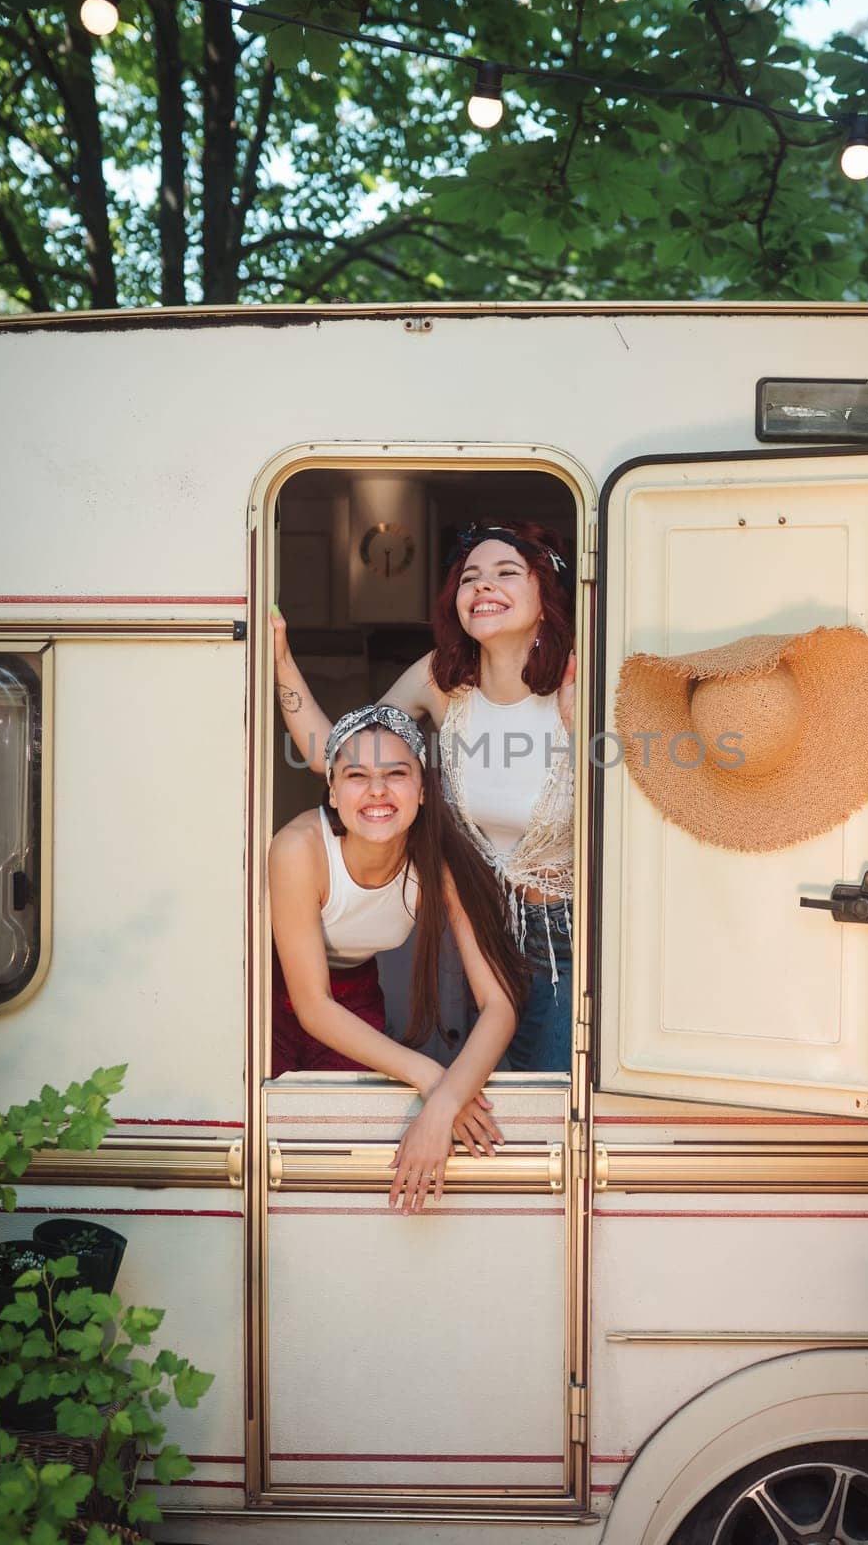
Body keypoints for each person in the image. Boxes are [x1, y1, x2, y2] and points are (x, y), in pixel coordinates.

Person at [272, 519, 576, 1071]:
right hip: (489, 931)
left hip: (568, 940)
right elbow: (339, 753)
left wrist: (583, 729)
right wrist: (282, 662)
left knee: (551, 1100)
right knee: (511, 1093)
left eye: (506, 573)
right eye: (470, 578)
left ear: (545, 595)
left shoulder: (582, 679)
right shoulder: (441, 679)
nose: (483, 586)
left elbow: (635, 810)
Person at [268, 703, 528, 1214]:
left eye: (396, 774)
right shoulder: (298, 849)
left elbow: (499, 1004)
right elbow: (311, 1005)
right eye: (357, 776)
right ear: (333, 791)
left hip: (355, 994)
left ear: (424, 790)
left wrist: (445, 1105)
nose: (377, 791)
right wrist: (433, 1077)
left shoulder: (438, 861)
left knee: (345, 1157)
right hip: (268, 999)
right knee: (277, 1151)